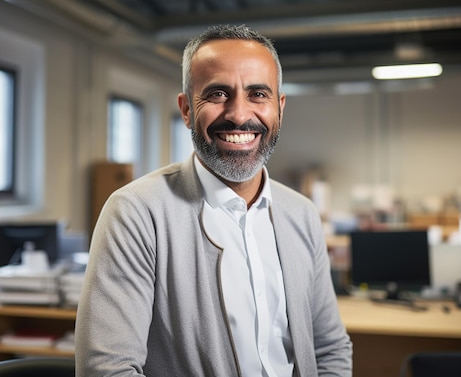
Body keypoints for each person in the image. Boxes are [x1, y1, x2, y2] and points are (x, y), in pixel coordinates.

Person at [75, 24, 352, 377]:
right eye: (218, 94)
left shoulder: (301, 214)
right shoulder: (136, 213)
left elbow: (329, 348)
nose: (239, 114)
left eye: (258, 94)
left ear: (279, 108)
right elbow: (106, 370)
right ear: (187, 109)